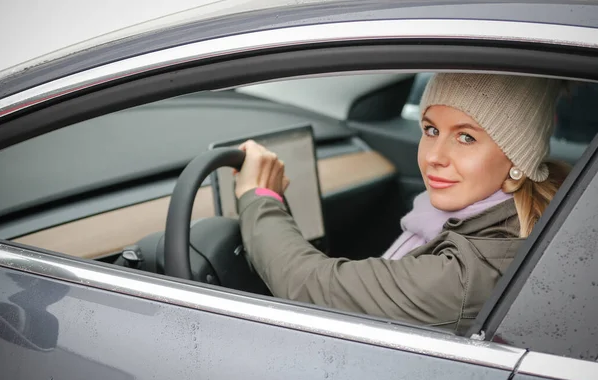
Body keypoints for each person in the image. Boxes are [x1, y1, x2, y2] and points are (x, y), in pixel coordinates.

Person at [233, 73, 570, 335]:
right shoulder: (490, 218)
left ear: (518, 157)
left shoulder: (476, 271)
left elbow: (309, 285)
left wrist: (260, 198)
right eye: (431, 129)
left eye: (466, 137)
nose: (434, 157)